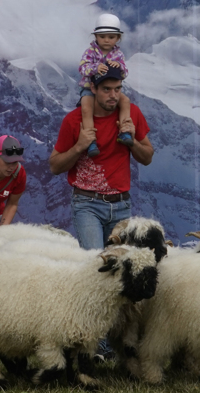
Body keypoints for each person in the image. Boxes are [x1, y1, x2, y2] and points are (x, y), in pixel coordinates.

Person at [50, 64, 154, 250]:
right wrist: (79, 146)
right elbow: (55, 166)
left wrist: (132, 142)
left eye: (117, 89)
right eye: (106, 89)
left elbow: (147, 158)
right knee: (95, 260)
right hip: (87, 204)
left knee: (118, 262)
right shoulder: (74, 120)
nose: (113, 95)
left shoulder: (132, 115)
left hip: (122, 204)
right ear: (93, 88)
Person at [78, 13, 133, 157]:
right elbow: (82, 68)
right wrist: (95, 68)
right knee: (86, 107)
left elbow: (125, 73)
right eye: (102, 37)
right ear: (95, 36)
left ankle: (124, 131)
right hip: (89, 87)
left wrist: (119, 67)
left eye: (111, 37)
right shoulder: (90, 52)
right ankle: (90, 140)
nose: (106, 40)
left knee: (125, 101)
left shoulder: (118, 55)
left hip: (110, 90)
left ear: (118, 38)